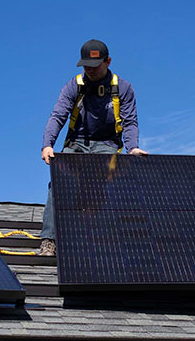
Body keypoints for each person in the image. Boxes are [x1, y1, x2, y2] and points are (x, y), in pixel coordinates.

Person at [39, 39, 145, 255]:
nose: (89, 70)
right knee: (58, 182)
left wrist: (132, 147)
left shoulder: (122, 88)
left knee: (103, 184)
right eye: (86, 66)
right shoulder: (74, 86)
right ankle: (49, 240)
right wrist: (47, 144)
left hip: (107, 144)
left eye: (94, 66)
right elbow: (58, 115)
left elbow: (130, 122)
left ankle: (103, 239)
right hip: (77, 142)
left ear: (107, 61)